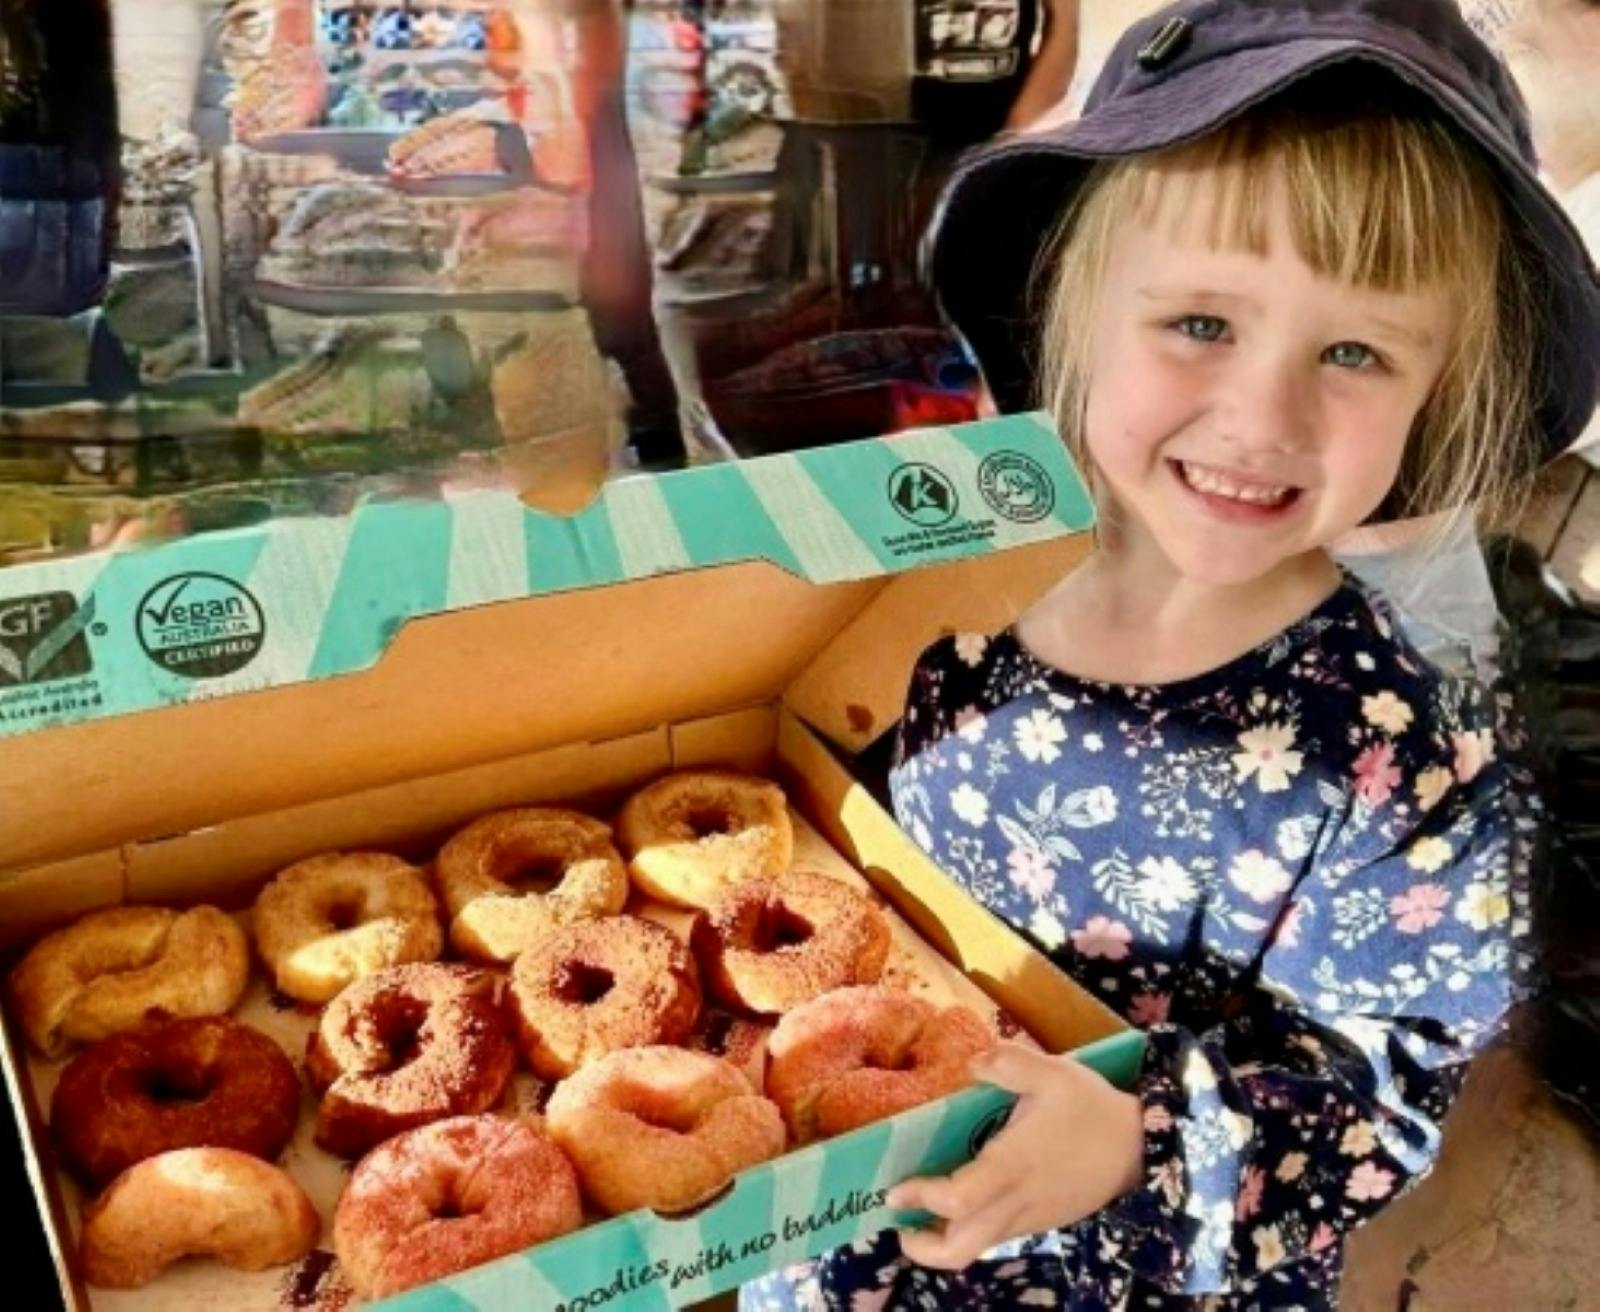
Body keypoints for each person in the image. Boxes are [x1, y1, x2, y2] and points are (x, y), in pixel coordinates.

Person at [741, 0, 1600, 1307]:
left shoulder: (1397, 761)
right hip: (843, 1227)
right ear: (1076, 309)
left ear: (1438, 393)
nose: (1262, 416)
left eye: (1356, 352)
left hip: (1119, 1271)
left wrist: (1146, 1138)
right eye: (1200, 323)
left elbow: (1384, 1097)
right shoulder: (924, 594)